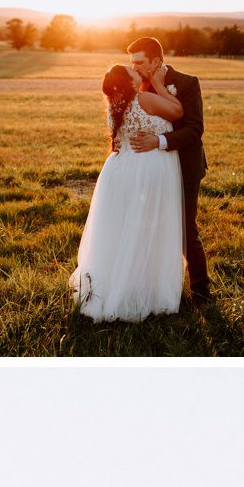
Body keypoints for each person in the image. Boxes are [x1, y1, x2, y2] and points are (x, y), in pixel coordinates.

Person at [69, 62, 186, 322]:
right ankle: (143, 290)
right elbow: (177, 111)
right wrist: (158, 85)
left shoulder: (114, 106)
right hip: (145, 171)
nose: (135, 69)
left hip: (119, 171)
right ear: (129, 80)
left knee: (121, 230)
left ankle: (115, 284)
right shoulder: (145, 99)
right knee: (147, 229)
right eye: (131, 69)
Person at [123, 36, 210, 304]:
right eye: (132, 62)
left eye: (139, 62)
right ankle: (155, 286)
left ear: (156, 61)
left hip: (184, 167)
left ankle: (201, 290)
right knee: (151, 226)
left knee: (185, 228)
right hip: (152, 172)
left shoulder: (186, 83)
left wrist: (158, 142)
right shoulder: (138, 84)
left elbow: (194, 130)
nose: (135, 67)